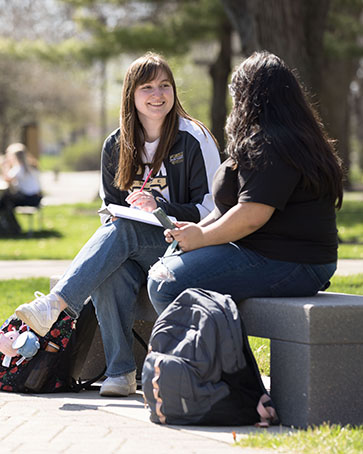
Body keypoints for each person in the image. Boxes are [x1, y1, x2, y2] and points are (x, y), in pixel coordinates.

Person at [15, 52, 221, 397]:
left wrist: (162, 207)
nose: (158, 94)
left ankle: (56, 304)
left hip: (188, 245)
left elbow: (215, 208)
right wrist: (124, 215)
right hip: (137, 248)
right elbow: (109, 209)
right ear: (131, 95)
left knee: (122, 234)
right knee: (112, 266)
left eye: (165, 85)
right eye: (148, 87)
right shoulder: (116, 144)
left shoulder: (193, 136)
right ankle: (121, 372)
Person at [147, 51, 344, 316]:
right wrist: (195, 229)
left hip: (294, 262)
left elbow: (252, 215)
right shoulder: (275, 138)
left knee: (164, 282)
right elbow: (228, 208)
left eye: (235, 90)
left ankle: (197, 356)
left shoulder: (273, 143)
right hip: (271, 254)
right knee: (166, 267)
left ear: (250, 96)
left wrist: (203, 238)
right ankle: (220, 352)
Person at [0, 143, 42, 210]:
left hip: (28, 199)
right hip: (36, 198)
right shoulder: (31, 167)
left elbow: (7, 179)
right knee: (5, 200)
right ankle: (9, 220)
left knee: (5, 200)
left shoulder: (19, 168)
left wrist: (5, 166)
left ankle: (8, 220)